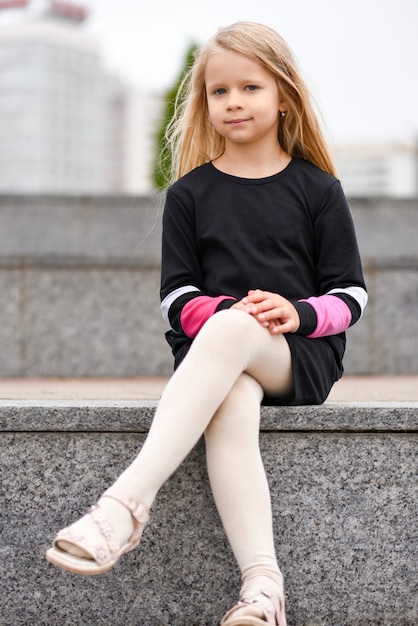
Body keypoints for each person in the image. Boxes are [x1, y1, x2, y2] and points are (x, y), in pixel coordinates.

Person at [46, 21, 367, 626]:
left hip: (296, 358)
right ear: (205, 103)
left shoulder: (319, 190)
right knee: (232, 399)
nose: (234, 102)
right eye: (219, 92)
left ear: (283, 95)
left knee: (237, 330)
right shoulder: (190, 193)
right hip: (215, 357)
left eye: (250, 87)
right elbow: (176, 296)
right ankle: (262, 591)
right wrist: (227, 317)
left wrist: (293, 313)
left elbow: (350, 295)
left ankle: (124, 506)